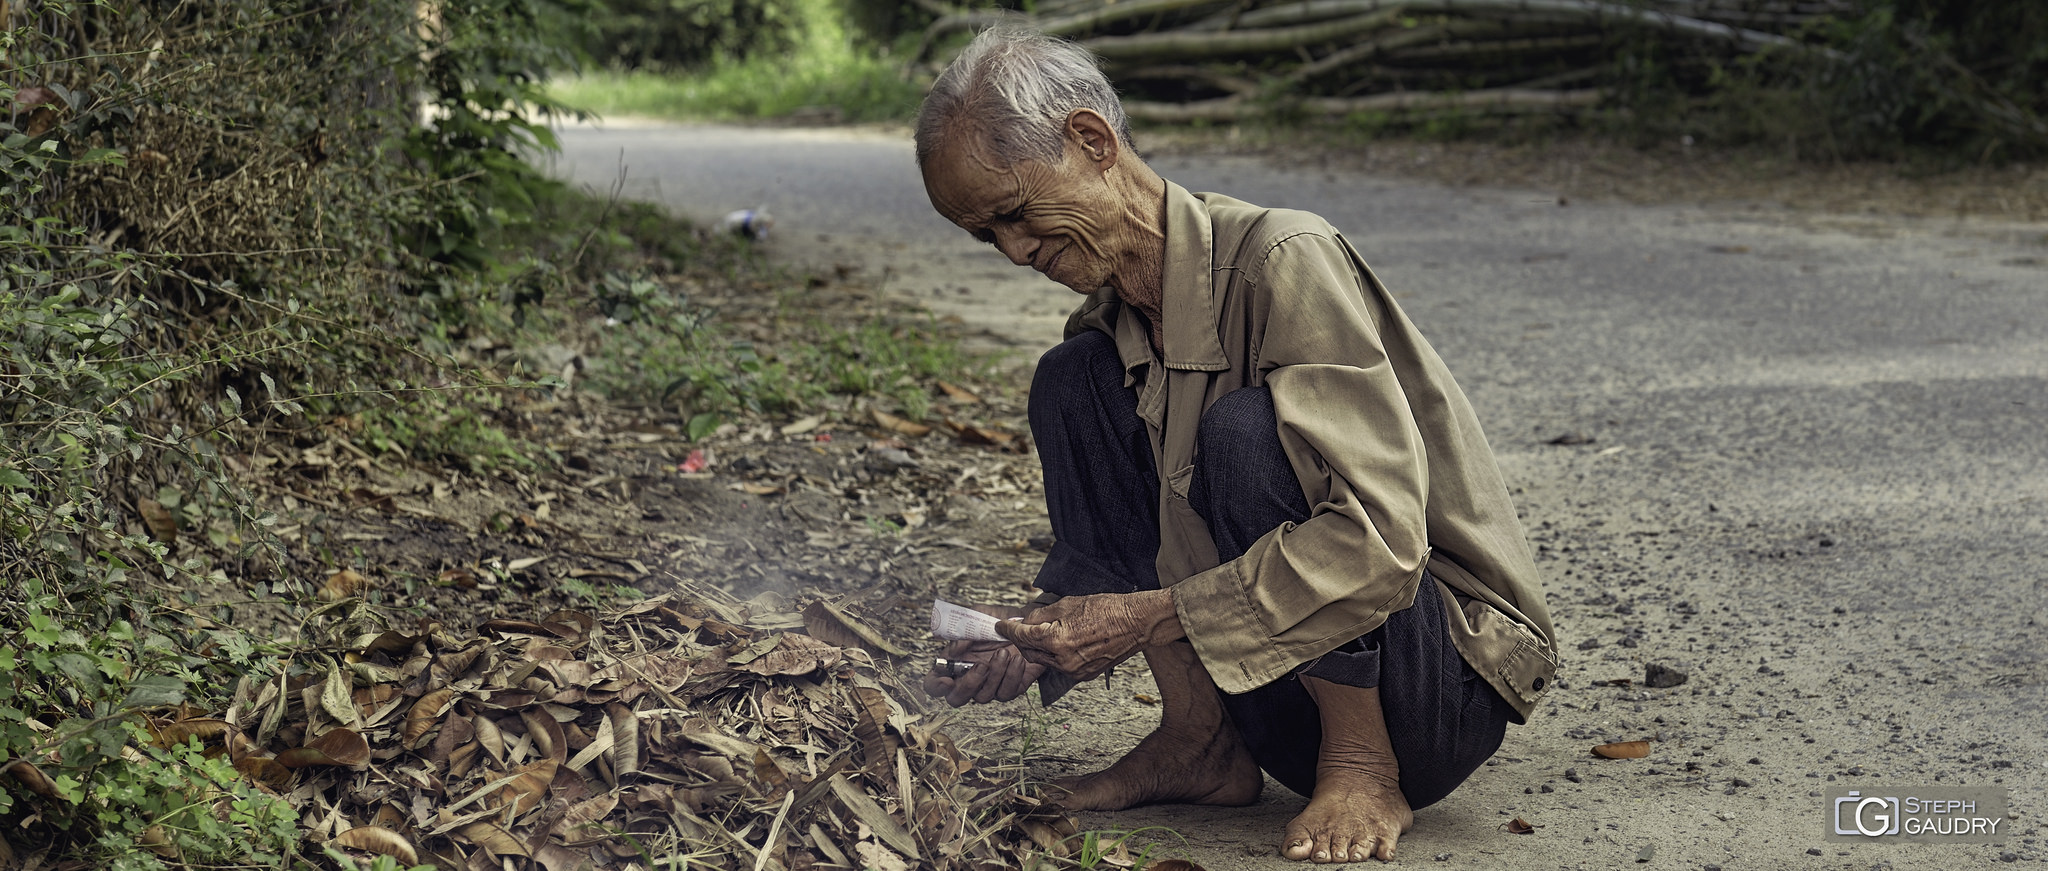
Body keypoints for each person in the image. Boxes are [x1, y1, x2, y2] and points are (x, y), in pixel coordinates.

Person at [915, 27, 1559, 865]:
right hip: (1267, 689)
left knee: (1247, 433)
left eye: (1014, 213)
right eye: (985, 236)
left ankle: (1359, 762)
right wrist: (1034, 640)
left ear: (1091, 142)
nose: (1014, 251)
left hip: (1435, 691)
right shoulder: (1110, 325)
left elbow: (1381, 543)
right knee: (1069, 380)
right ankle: (1202, 741)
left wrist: (1144, 615)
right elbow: (1132, 557)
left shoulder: (1284, 258)